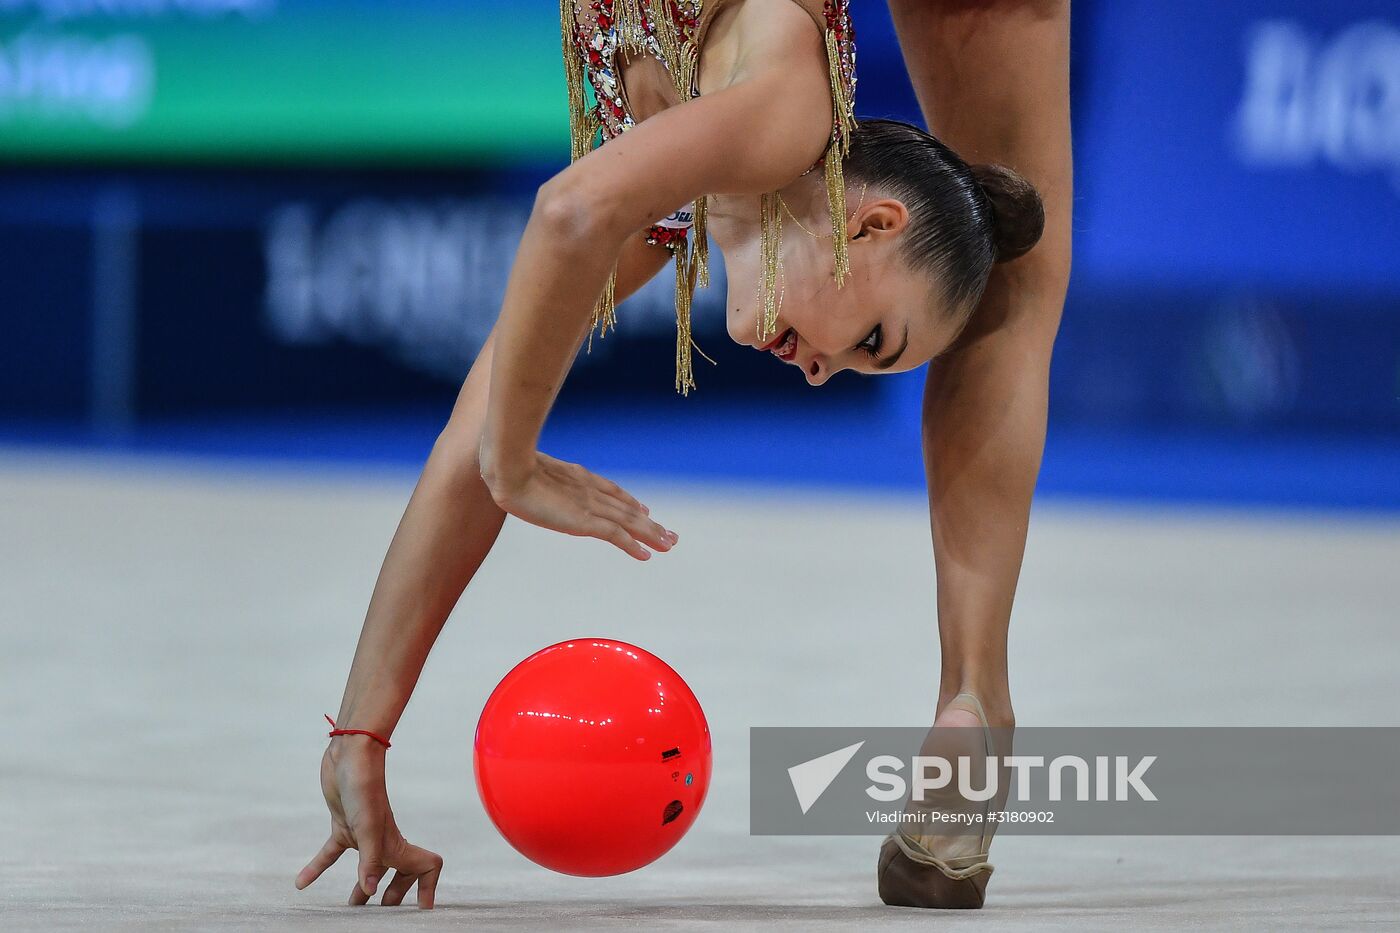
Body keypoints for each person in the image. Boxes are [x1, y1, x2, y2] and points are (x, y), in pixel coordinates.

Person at [293, 0, 1068, 911]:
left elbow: (478, 426)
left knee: (998, 247)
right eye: (872, 339)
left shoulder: (659, 209)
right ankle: (978, 699)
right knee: (1017, 270)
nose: (824, 376)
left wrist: (359, 735)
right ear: (873, 222)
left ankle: (971, 711)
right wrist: (515, 464)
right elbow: (565, 211)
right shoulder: (782, 116)